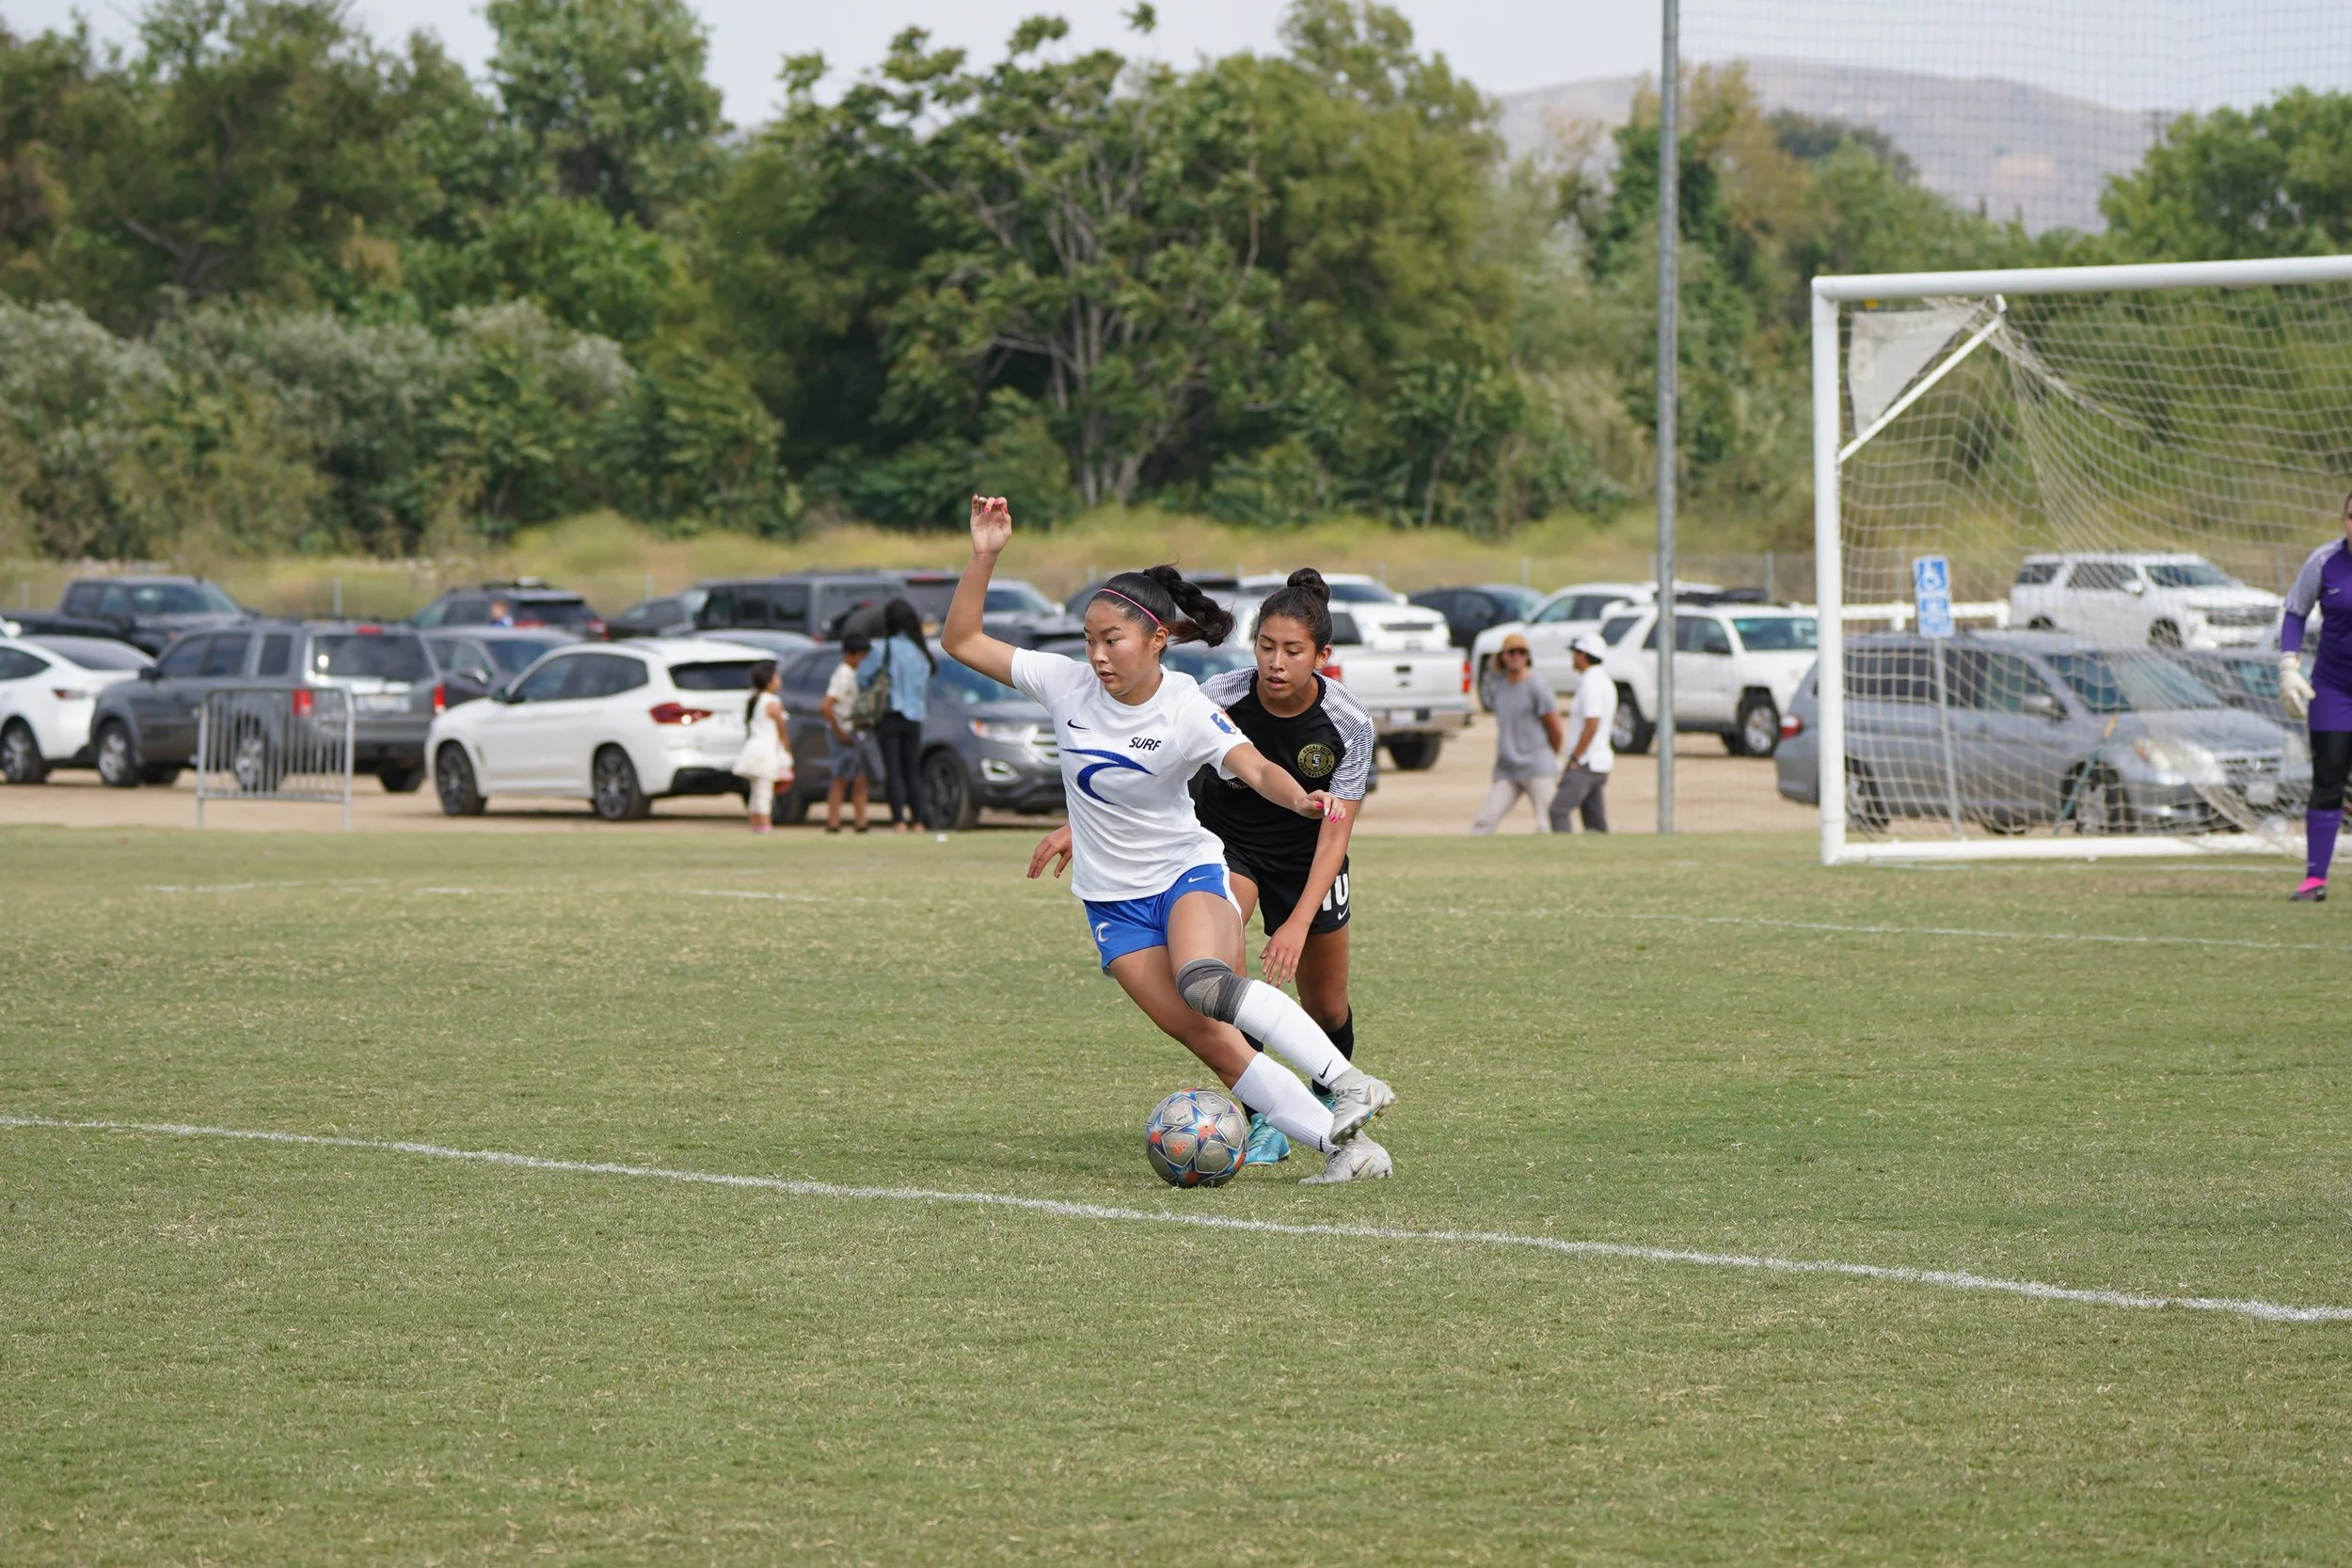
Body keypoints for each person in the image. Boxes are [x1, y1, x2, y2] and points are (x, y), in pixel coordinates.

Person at [946, 496, 1395, 1183]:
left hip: (1186, 873)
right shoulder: (1065, 684)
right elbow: (962, 641)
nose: (1097, 655)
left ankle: (1348, 1081)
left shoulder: (1186, 703)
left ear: (1156, 640)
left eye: (1112, 640)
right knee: (1211, 1040)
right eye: (1089, 640)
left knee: (1205, 983)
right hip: (1111, 904)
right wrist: (984, 555)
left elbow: (1254, 767)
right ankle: (1348, 1151)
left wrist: (1301, 797)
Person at [2280, 488, 2352, 900]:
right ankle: (2315, 879)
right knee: (2328, 778)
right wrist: (2288, 666)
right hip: (2334, 689)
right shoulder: (2324, 560)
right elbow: (2295, 611)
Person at [1471, 632, 1564, 833]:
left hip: (1537, 765)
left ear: (1527, 656)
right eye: (1511, 652)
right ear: (1502, 656)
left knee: (1547, 824)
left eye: (1521, 652)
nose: (1516, 657)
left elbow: (1555, 726)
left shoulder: (1537, 686)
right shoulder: (1500, 687)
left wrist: (1550, 755)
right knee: (1483, 822)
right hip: (1508, 768)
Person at [859, 598, 933, 833]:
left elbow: (862, 677)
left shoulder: (882, 648)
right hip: (915, 716)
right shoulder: (920, 650)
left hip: (890, 714)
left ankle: (899, 821)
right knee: (912, 769)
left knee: (893, 770)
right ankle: (918, 821)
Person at [1548, 633, 1617, 834]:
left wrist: (1576, 757)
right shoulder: (1603, 680)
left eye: (1575, 653)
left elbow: (1592, 723)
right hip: (1599, 761)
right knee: (1594, 821)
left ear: (1583, 655)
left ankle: (1564, 850)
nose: (1573, 658)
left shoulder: (1591, 684)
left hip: (1587, 761)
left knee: (1558, 811)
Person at [822, 631, 880, 834]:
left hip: (855, 731)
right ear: (852, 654)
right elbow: (827, 706)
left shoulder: (854, 674)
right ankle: (833, 821)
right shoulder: (843, 675)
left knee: (860, 777)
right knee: (840, 777)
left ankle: (860, 820)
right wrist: (839, 732)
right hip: (843, 731)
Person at [731, 659, 795, 833]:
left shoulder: (754, 700)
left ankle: (756, 826)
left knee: (756, 792)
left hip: (752, 750)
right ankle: (766, 827)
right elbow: (782, 732)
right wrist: (787, 753)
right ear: (769, 681)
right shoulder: (772, 702)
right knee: (764, 793)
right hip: (765, 753)